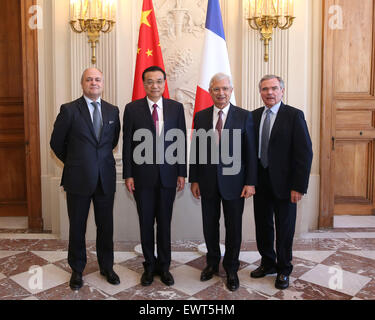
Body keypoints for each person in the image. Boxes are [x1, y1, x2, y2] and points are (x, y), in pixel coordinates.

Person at [50, 68, 121, 290]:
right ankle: (77, 270)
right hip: (78, 180)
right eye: (89, 79)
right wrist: (75, 162)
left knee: (106, 226)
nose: (94, 82)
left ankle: (107, 267)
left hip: (105, 180)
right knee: (77, 227)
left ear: (103, 83)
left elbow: (112, 141)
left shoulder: (112, 111)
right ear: (82, 84)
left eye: (97, 79)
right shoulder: (69, 110)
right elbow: (56, 143)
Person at [189, 73, 257, 292]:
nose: (221, 93)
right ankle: (211, 263)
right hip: (207, 182)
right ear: (210, 91)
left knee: (233, 228)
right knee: (210, 226)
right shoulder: (200, 116)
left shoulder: (244, 116)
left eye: (225, 89)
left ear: (231, 90)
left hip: (236, 185)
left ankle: (232, 268)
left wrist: (250, 182)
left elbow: (250, 153)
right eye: (217, 89)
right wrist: (195, 179)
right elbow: (196, 150)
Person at [122, 66, 187, 287]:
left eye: (159, 81)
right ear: (144, 84)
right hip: (142, 179)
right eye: (150, 81)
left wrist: (181, 172)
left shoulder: (176, 108)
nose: (155, 85)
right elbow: (128, 144)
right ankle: (149, 267)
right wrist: (128, 175)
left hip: (169, 177)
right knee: (146, 223)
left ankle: (164, 267)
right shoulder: (132, 109)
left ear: (164, 82)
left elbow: (180, 141)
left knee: (165, 224)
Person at [251, 75, 313, 290]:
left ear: (282, 91)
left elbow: (304, 154)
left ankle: (284, 269)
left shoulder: (294, 116)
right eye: (265, 89)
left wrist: (299, 186)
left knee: (284, 229)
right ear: (260, 92)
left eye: (274, 88)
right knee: (263, 226)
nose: (269, 92)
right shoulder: (254, 116)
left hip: (287, 186)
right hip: (260, 183)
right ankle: (268, 263)